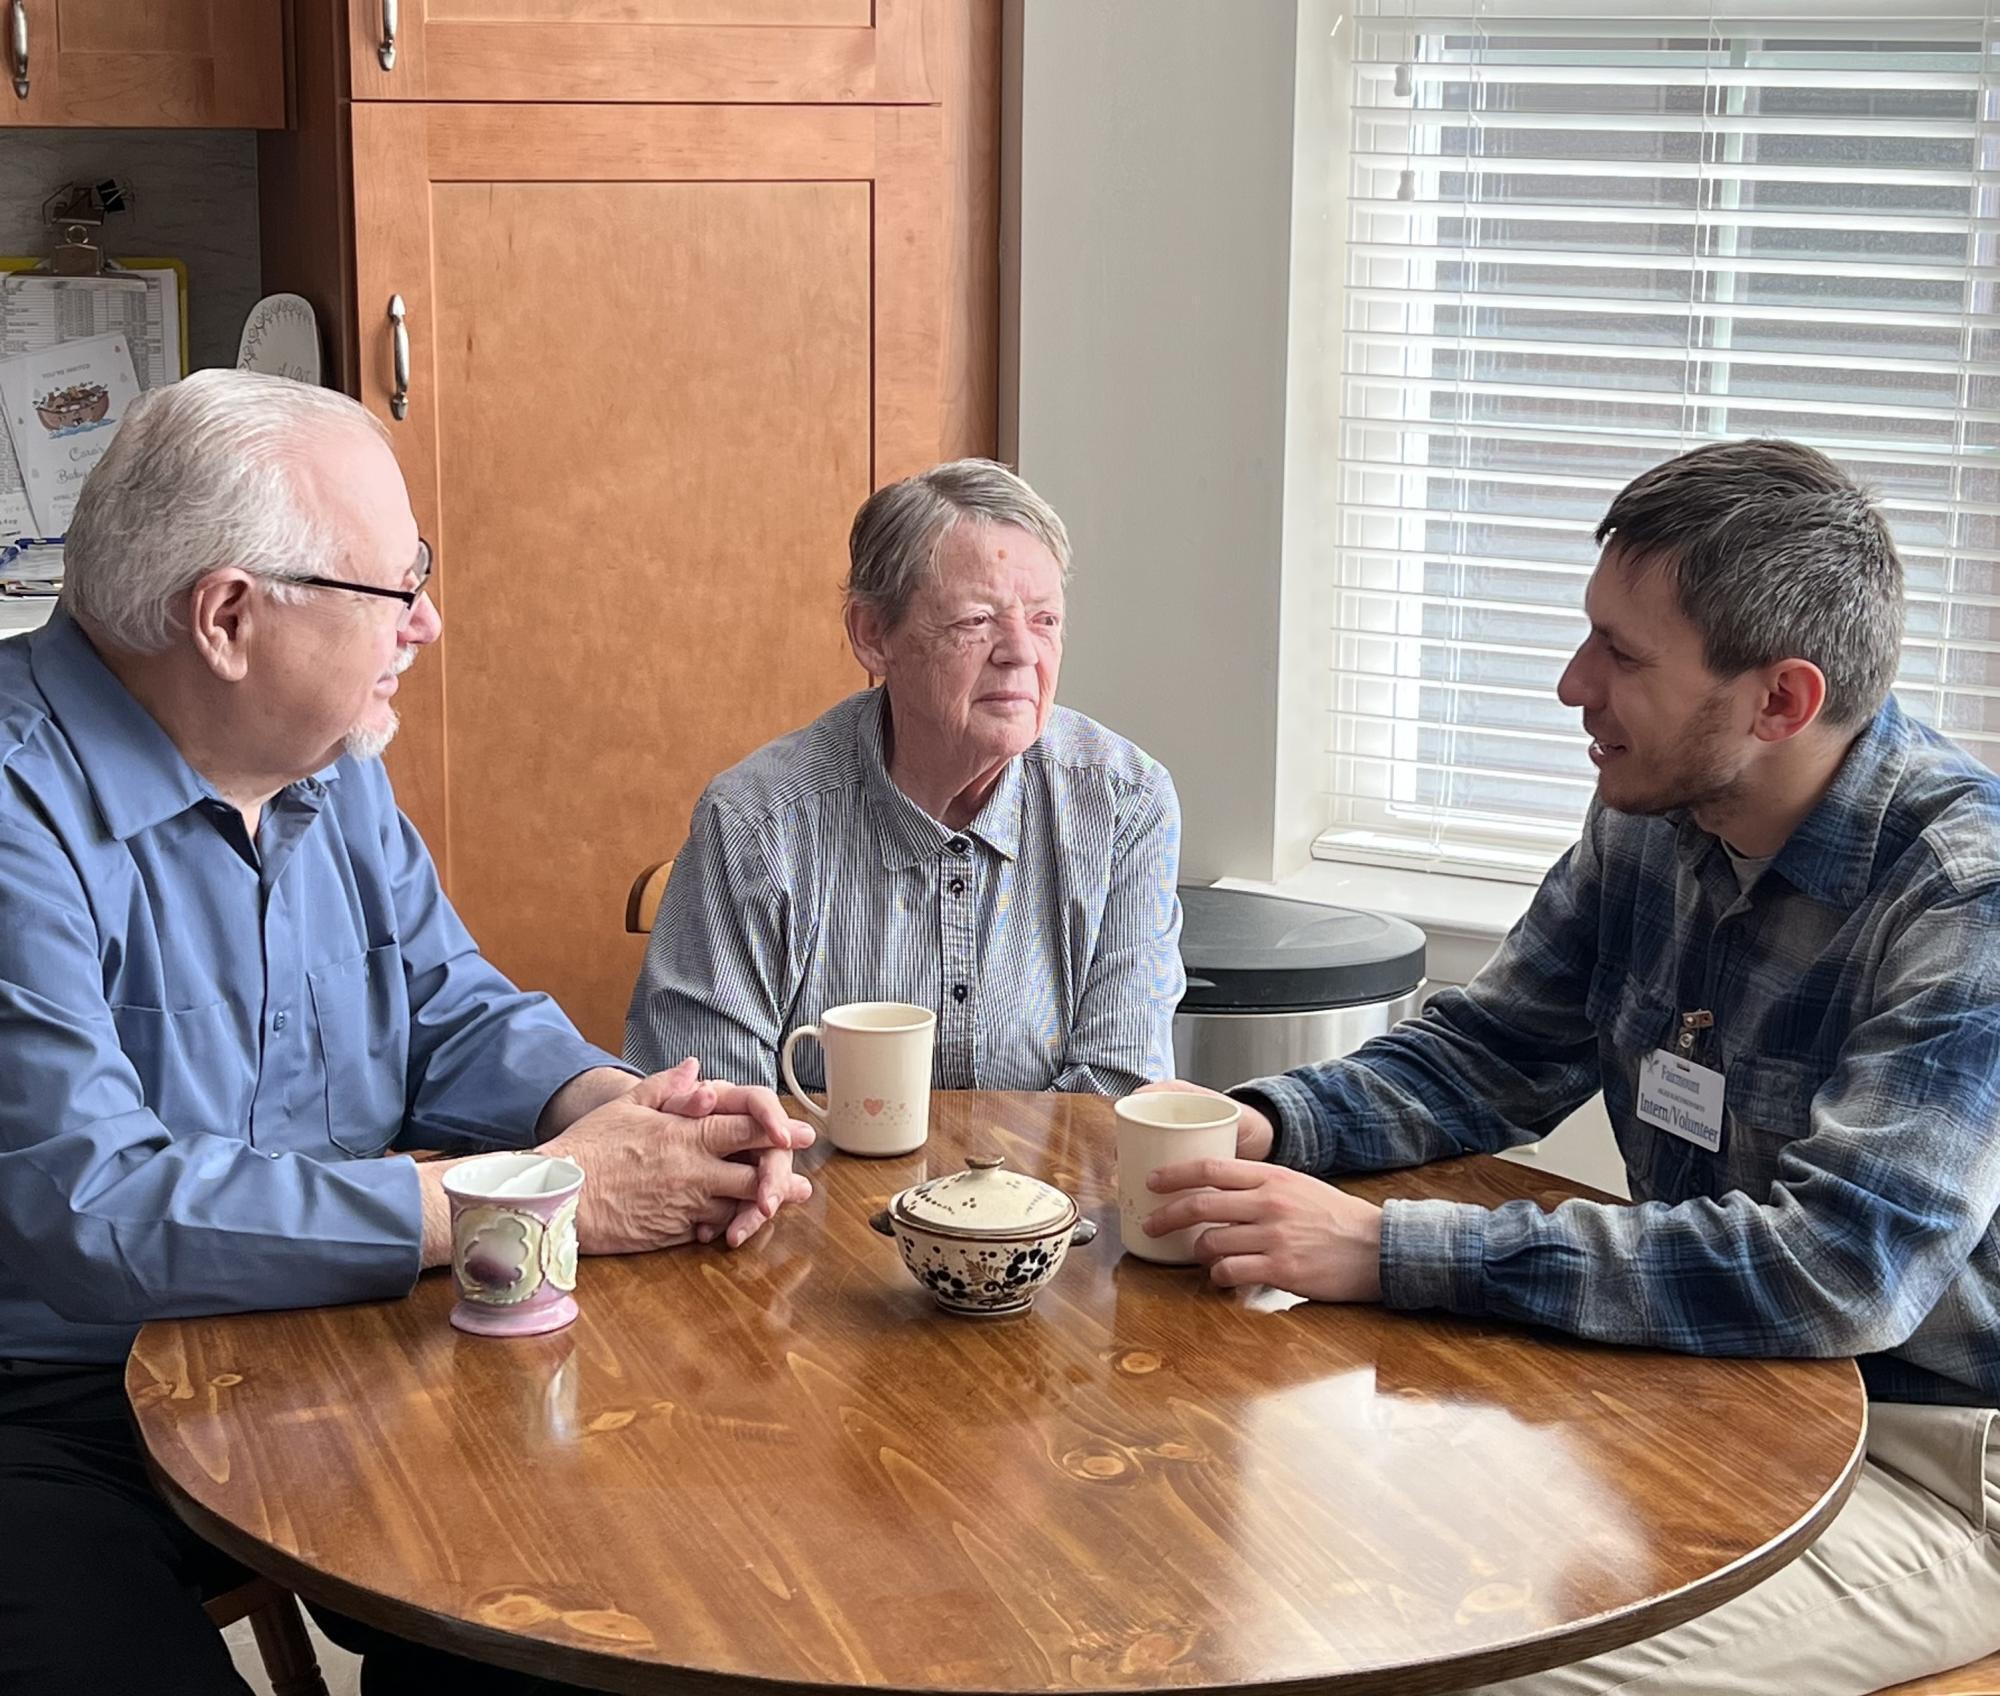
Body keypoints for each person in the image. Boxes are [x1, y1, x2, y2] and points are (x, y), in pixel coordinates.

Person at [0, 370, 813, 1696]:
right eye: (395, 587)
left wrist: (613, 1112)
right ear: (228, 618)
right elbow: (93, 1210)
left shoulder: (330, 767)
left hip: (330, 1344)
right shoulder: (15, 805)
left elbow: (449, 1009)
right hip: (55, 1408)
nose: (427, 623)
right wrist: (523, 1197)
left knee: (593, 1620)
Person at [1143, 439, 2000, 1695]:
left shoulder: (1960, 900)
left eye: (1623, 656)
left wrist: (1388, 1252)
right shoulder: (1656, 812)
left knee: (1467, 1672)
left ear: (1780, 700)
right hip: (1704, 1389)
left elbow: (1841, 1270)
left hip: (1926, 1456)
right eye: (1587, 634)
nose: (1569, 684)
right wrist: (1265, 1126)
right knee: (1272, 1560)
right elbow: (1494, 1051)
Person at [626, 458, 1184, 1096]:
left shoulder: (1125, 804)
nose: (1021, 652)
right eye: (977, 620)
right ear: (873, 635)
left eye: (1044, 620)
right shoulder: (756, 822)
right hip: (806, 1194)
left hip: (1049, 1196)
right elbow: (713, 1112)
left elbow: (1118, 1093)